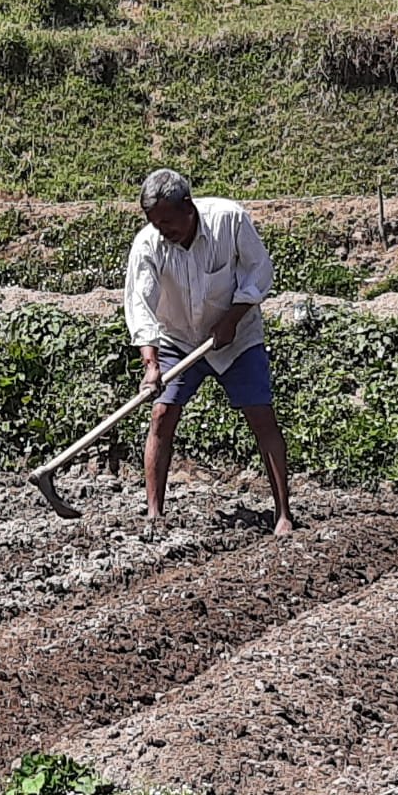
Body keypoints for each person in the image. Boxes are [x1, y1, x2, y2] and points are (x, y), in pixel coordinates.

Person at [124, 168, 295, 537]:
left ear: (188, 206)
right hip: (177, 338)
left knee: (260, 415)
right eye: (154, 223)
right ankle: (154, 515)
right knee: (162, 414)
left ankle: (283, 513)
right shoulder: (149, 245)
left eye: (167, 221)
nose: (161, 230)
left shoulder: (228, 220)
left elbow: (259, 272)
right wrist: (151, 364)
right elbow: (142, 305)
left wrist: (232, 317)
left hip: (237, 336)